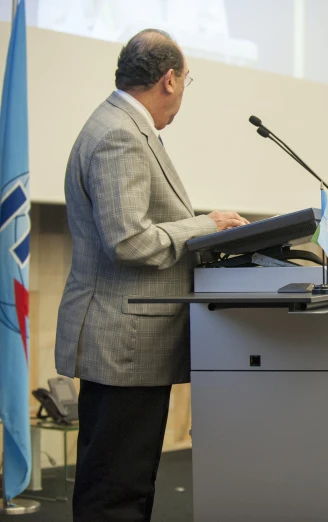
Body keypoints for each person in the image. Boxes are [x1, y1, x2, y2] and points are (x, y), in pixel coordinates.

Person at [55, 29, 249, 521]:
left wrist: (203, 230)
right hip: (124, 341)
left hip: (130, 340)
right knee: (116, 491)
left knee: (128, 483)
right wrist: (205, 225)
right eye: (186, 80)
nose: (183, 91)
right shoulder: (120, 133)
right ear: (168, 80)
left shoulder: (123, 125)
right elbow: (129, 241)